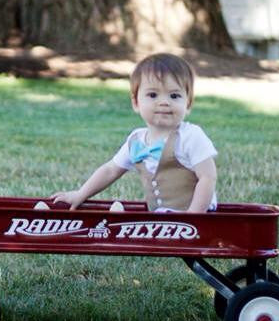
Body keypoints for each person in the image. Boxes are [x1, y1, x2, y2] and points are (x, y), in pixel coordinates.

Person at [51, 53, 218, 213]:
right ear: (136, 103)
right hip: (162, 220)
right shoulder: (137, 140)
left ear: (188, 103)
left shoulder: (190, 137)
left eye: (174, 96)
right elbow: (110, 170)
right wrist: (80, 194)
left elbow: (207, 177)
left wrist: (194, 215)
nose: (164, 102)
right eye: (152, 95)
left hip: (198, 216)